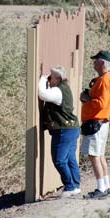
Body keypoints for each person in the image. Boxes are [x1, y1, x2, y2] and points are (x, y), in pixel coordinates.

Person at [38, 66, 81, 197]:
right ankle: (76, 186)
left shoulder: (58, 91)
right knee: (70, 159)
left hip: (64, 130)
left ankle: (70, 187)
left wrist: (42, 79)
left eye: (50, 77)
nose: (49, 80)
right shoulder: (64, 88)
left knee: (59, 160)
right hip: (72, 128)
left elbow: (42, 94)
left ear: (57, 78)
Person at [80, 50, 110, 199]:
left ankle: (101, 188)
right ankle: (105, 186)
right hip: (101, 122)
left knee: (93, 155)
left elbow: (101, 103)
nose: (94, 63)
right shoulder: (107, 78)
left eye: (96, 60)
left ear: (102, 63)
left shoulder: (104, 80)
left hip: (96, 122)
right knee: (99, 155)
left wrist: (87, 98)